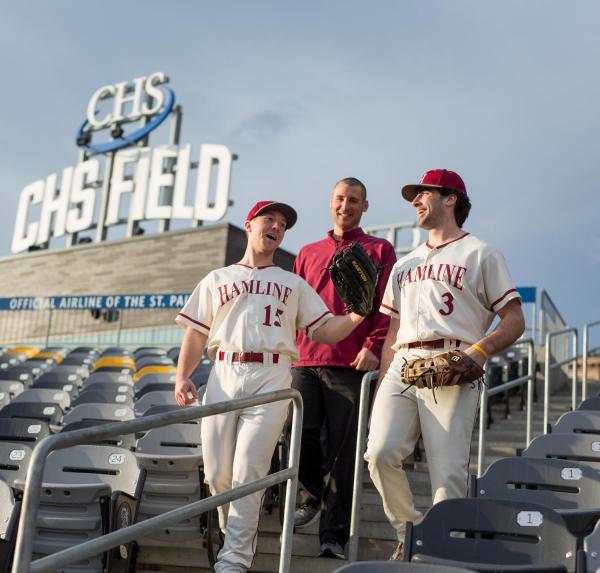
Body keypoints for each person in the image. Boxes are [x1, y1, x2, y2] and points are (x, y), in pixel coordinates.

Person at [174, 200, 369, 573]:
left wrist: (358, 314)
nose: (277, 226)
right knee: (217, 474)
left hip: (272, 375)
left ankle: (232, 561)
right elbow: (196, 334)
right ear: (249, 225)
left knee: (250, 470)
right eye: (270, 219)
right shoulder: (217, 278)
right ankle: (232, 538)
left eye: (283, 223)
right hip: (224, 372)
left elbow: (326, 331)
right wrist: (182, 376)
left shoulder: (293, 282)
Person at [365, 169, 525, 560]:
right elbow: (392, 330)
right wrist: (385, 378)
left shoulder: (481, 253)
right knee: (380, 452)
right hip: (404, 360)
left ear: (450, 198)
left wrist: (480, 351)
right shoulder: (404, 264)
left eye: (424, 194)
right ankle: (409, 528)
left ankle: (439, 552)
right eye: (413, 197)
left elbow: (515, 319)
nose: (416, 201)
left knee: (447, 473)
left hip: (454, 361)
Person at [292, 177, 397, 559]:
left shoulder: (380, 249)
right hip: (305, 360)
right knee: (298, 433)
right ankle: (313, 494)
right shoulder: (307, 252)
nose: (345, 205)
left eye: (354, 200)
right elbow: (295, 306)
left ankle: (333, 534)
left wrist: (374, 346)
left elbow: (389, 305)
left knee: (342, 451)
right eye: (340, 198)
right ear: (330, 202)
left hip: (351, 364)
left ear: (364, 206)